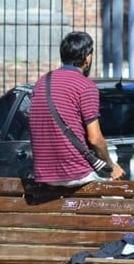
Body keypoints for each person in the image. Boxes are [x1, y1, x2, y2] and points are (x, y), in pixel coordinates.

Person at [30, 31, 125, 186]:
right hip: (76, 173)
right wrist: (111, 166)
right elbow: (95, 139)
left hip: (44, 174)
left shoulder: (42, 82)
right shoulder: (85, 86)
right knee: (120, 198)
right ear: (88, 58)